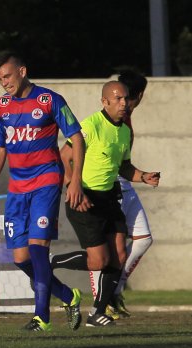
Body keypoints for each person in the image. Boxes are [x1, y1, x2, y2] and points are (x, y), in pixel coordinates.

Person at [0, 52, 85, 332]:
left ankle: (42, 317)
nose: (4, 83)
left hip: (46, 180)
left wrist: (75, 180)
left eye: (8, 76)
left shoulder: (49, 100)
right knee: (20, 258)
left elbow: (76, 138)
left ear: (22, 71)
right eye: (0, 78)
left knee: (38, 249)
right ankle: (67, 295)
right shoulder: (2, 106)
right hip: (16, 188)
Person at [53, 81, 160, 327]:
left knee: (119, 255)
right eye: (118, 99)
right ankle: (51, 263)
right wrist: (73, 187)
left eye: (125, 98)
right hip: (85, 199)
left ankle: (97, 313)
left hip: (109, 196)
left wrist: (143, 176)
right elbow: (64, 157)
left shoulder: (124, 131)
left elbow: (124, 166)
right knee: (99, 261)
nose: (124, 103)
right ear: (105, 101)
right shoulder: (90, 126)